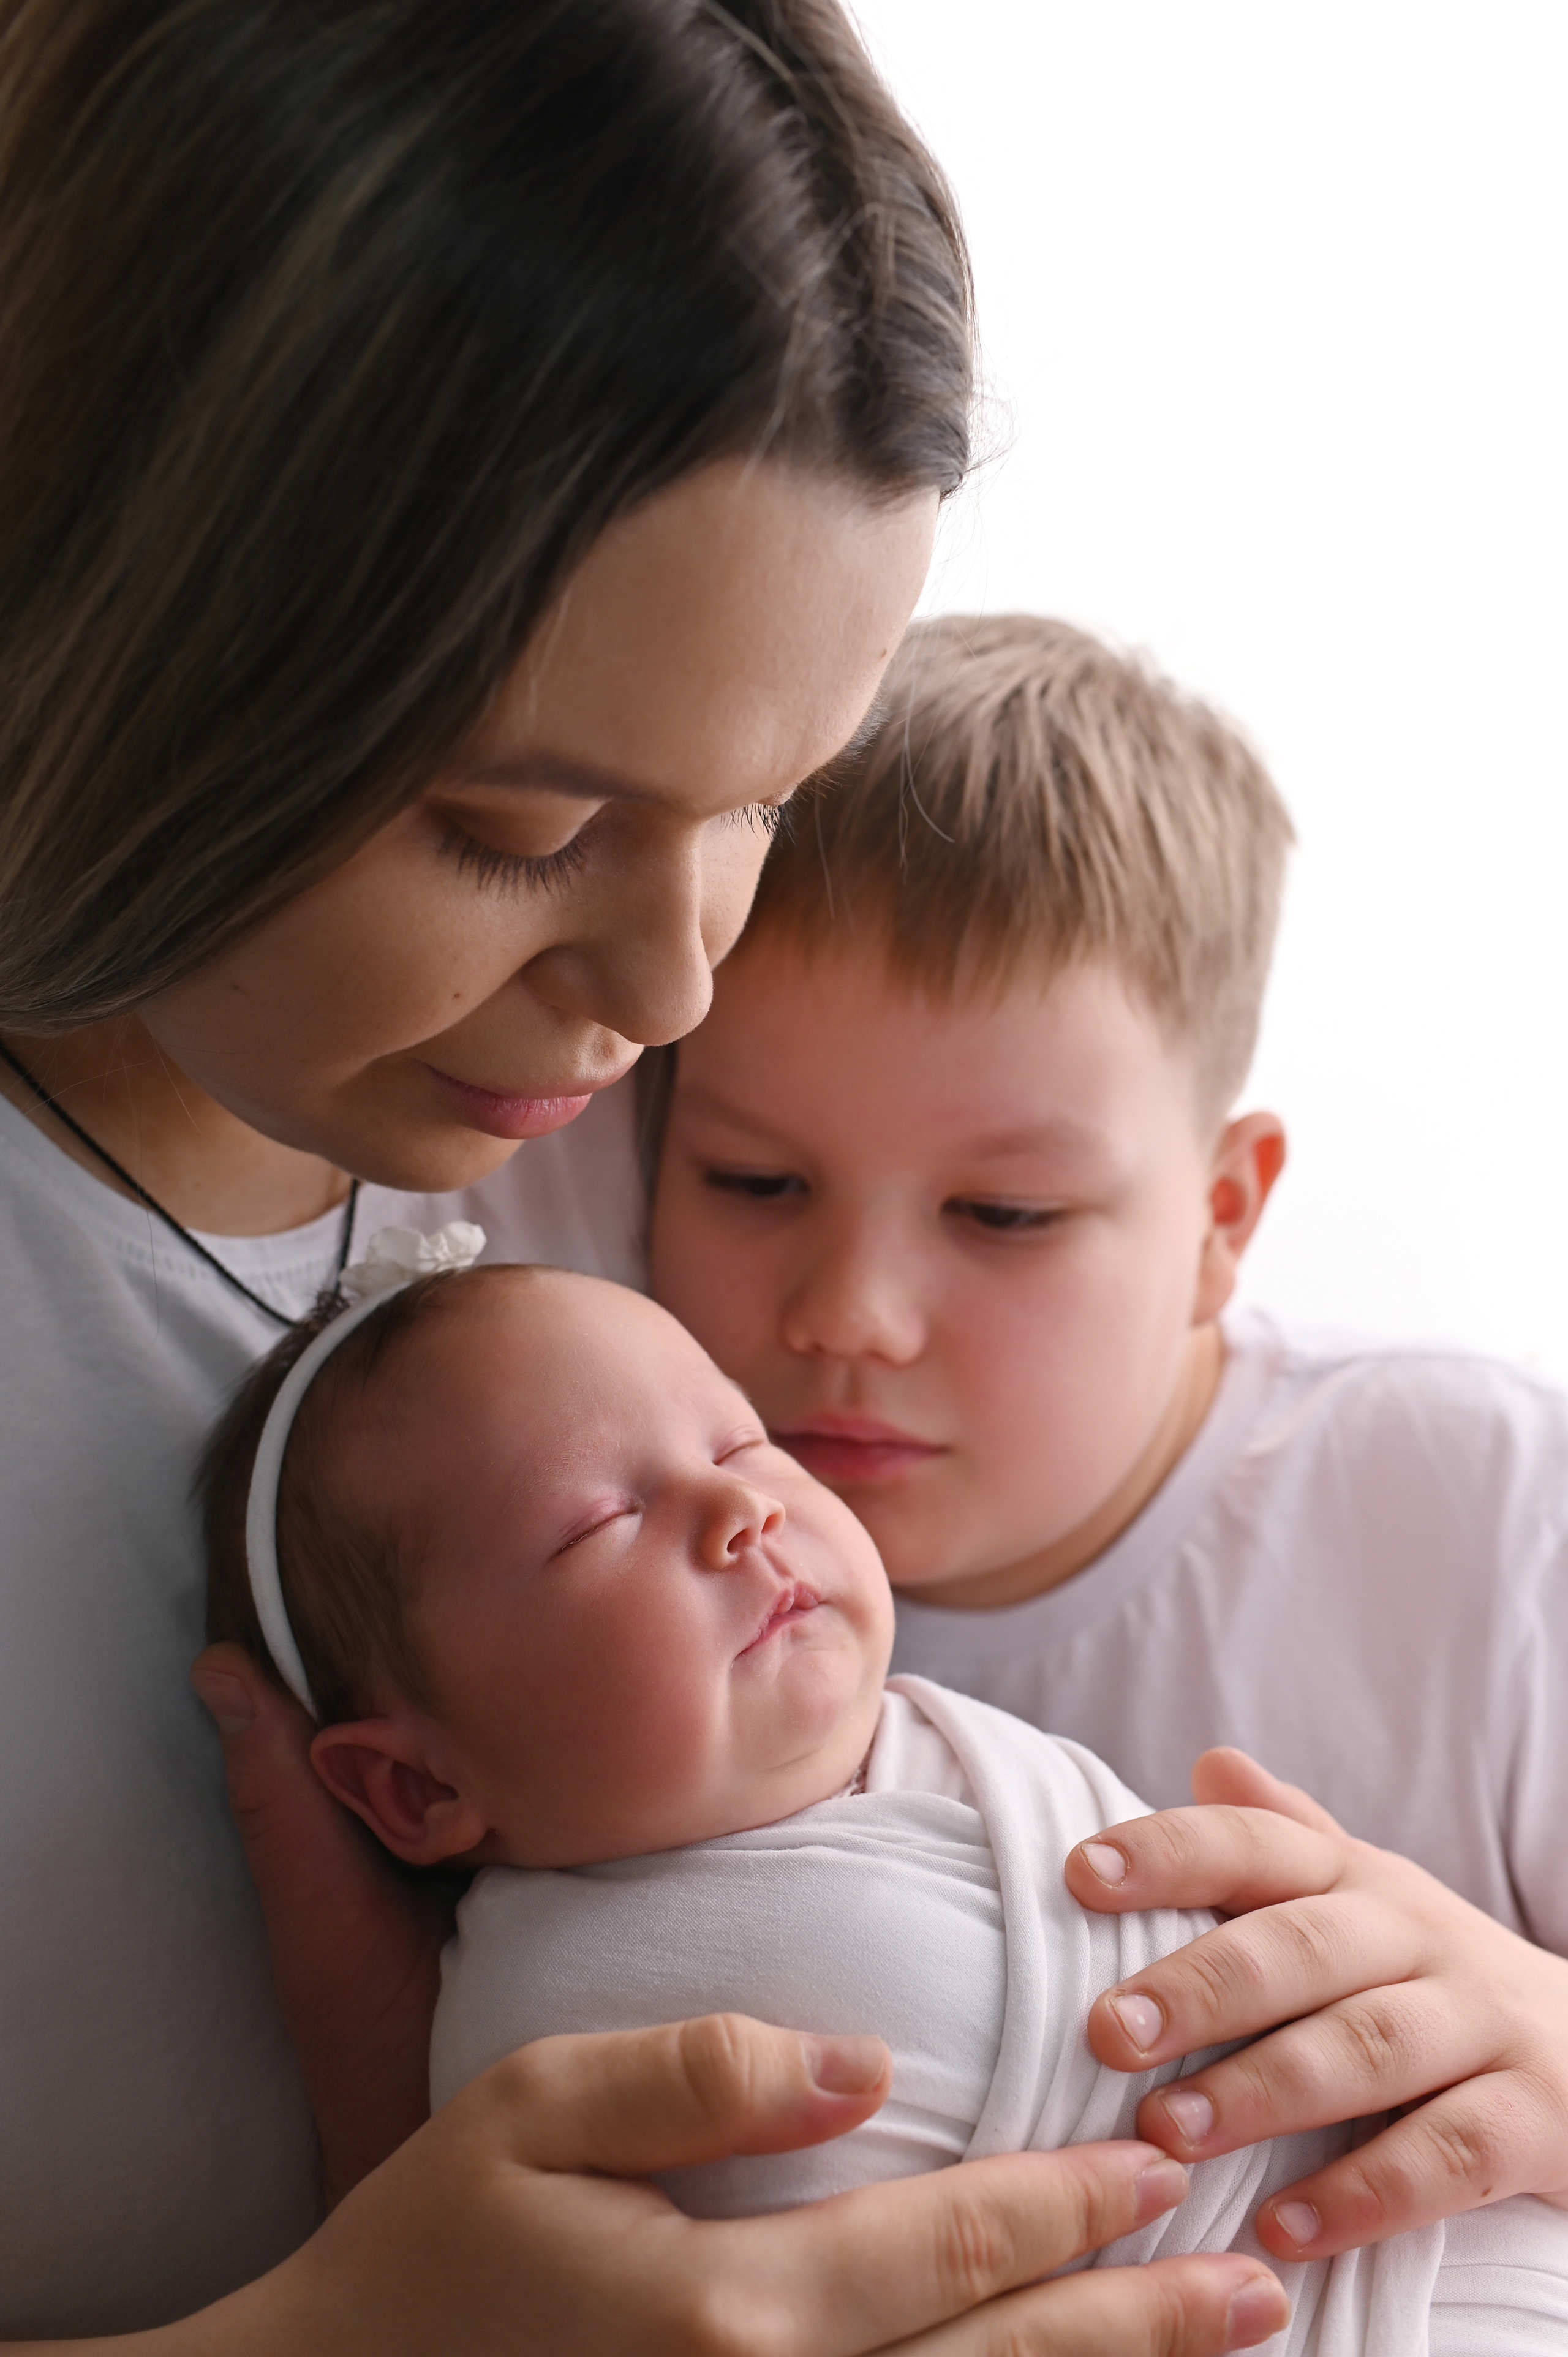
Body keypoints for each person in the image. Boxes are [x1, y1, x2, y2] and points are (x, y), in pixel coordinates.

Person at [0, 2, 1296, 2348]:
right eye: (522, 828)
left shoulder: (662, 1155)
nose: (677, 982)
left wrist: (1488, 2018)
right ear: (111, 622)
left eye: (772, 791)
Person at [648, 613, 1568, 2280]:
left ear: (1222, 1218)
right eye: (753, 1182)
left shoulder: (1487, 1505)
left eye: (1003, 1214)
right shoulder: (622, 1577)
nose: (851, 1314)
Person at [199, 1240, 1564, 2355]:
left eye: (741, 1442)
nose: (740, 1511)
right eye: (599, 1523)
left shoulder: (946, 1746)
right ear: (417, 1783)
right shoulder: (552, 2049)